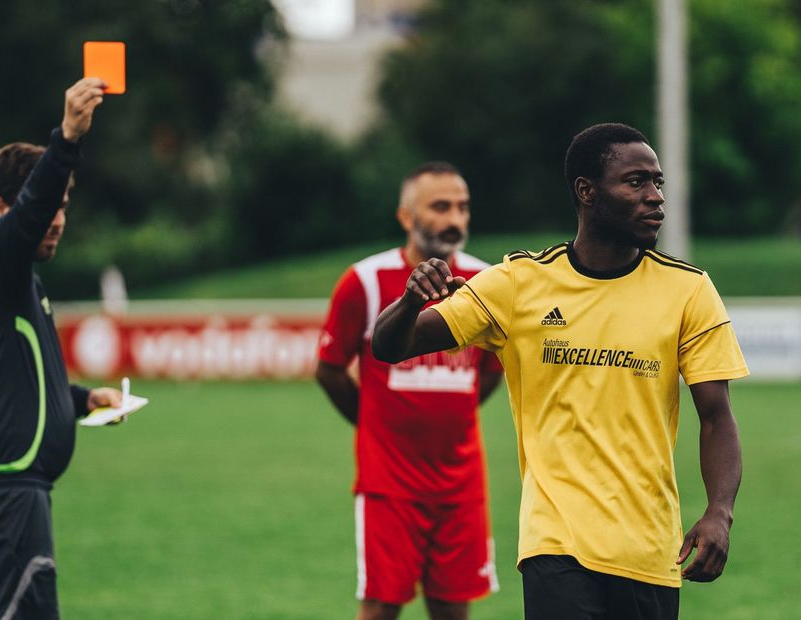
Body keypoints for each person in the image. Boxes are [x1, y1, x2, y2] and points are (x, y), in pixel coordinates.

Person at [371, 124, 749, 620]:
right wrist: (410, 301)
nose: (655, 197)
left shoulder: (689, 290)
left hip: (649, 550)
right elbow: (390, 345)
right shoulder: (519, 283)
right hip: (556, 545)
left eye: (658, 183)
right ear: (586, 191)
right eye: (635, 182)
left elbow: (717, 417)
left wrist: (719, 512)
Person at [0, 77, 122, 620]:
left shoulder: (14, 281)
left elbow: (24, 381)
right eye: (47, 208)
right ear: (1, 210)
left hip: (6, 496)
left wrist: (84, 400)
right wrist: (68, 137)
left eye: (64, 205)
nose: (58, 218)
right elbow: (33, 206)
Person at [316, 162, 505, 620]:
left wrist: (458, 416)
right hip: (389, 485)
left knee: (452, 608)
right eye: (440, 207)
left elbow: (494, 368)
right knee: (381, 606)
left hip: (461, 483)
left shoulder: (487, 283)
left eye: (462, 207)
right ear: (406, 216)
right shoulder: (363, 280)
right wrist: (373, 421)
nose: (454, 218)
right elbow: (330, 368)